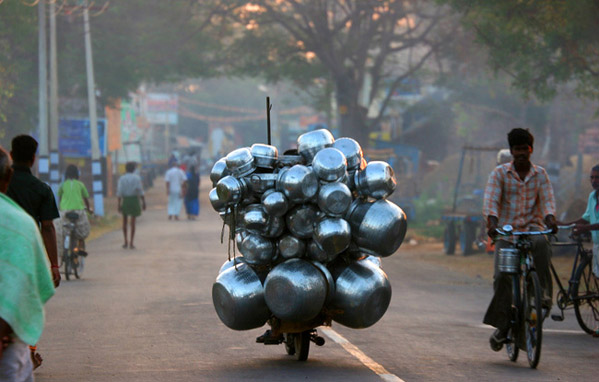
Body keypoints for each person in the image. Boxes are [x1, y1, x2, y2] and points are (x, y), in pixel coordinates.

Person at [482, 128, 557, 350]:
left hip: (532, 229)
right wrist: (493, 223)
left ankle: (541, 292)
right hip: (506, 233)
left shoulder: (540, 174)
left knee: (543, 243)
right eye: (517, 149)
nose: (521, 153)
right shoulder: (499, 174)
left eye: (525, 148)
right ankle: (503, 326)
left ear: (531, 150)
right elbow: (491, 202)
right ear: (512, 151)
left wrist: (550, 219)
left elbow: (548, 202)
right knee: (502, 277)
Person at [0, 145, 55, 381]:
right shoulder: (22, 223)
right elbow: (49, 226)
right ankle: (31, 351)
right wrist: (54, 265)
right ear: (7, 176)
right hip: (9, 346)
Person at [6, 135, 61, 287]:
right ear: (33, 159)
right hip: (28, 254)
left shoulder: (4, 184)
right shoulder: (42, 190)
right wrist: (54, 265)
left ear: (11, 155)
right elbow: (48, 227)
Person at [558, 164, 599, 278]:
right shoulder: (592, 196)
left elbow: (586, 225)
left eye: (597, 177)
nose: (594, 181)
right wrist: (565, 225)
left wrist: (585, 228)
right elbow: (586, 218)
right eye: (592, 177)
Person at [57, 165, 92, 256]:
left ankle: (63, 249)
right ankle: (80, 246)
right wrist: (88, 209)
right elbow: (86, 199)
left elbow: (60, 197)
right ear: (77, 174)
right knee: (82, 229)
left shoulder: (63, 185)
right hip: (78, 211)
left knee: (63, 229)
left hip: (64, 211)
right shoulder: (80, 185)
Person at [117, 162, 146, 249]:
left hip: (125, 200)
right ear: (134, 169)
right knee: (133, 222)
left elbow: (119, 192)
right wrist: (143, 202)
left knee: (124, 222)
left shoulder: (122, 178)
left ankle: (125, 241)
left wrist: (119, 204)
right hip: (134, 200)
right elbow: (140, 191)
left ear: (126, 169)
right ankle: (131, 242)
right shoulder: (137, 178)